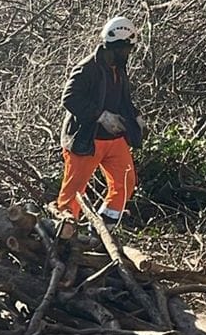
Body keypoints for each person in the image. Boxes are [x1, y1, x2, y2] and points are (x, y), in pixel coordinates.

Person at [56, 16, 146, 226]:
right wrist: (100, 116)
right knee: (73, 194)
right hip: (86, 139)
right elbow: (69, 99)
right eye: (126, 49)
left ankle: (103, 229)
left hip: (114, 139)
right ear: (115, 46)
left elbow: (122, 100)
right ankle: (62, 235)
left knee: (125, 183)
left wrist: (136, 118)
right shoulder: (87, 68)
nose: (128, 54)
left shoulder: (118, 69)